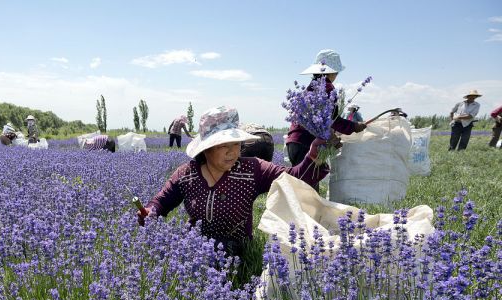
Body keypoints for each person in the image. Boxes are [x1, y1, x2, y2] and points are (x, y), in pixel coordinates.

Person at [140, 106, 329, 257]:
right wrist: (149, 212)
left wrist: (313, 157)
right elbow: (161, 202)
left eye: (236, 144)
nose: (233, 152)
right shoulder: (186, 174)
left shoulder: (253, 169)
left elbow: (294, 177)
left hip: (236, 252)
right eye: (224, 146)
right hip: (194, 250)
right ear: (206, 149)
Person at [285, 49, 366, 168]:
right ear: (331, 72)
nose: (336, 76)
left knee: (299, 184)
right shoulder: (327, 88)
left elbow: (322, 121)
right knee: (308, 185)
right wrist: (353, 126)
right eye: (337, 72)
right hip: (307, 145)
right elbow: (333, 120)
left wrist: (331, 137)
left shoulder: (310, 87)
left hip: (293, 142)